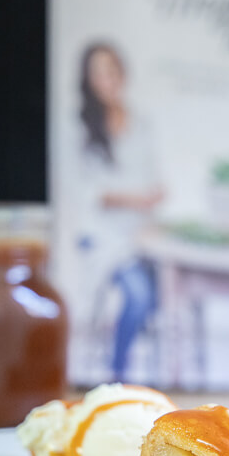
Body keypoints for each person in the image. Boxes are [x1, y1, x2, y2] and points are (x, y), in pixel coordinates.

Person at [73, 42, 164, 380]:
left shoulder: (141, 123)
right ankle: (118, 373)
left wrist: (151, 199)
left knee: (165, 293)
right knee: (139, 296)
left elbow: (154, 179)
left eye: (111, 71)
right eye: (97, 73)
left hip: (143, 235)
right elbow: (92, 192)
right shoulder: (81, 127)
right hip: (104, 238)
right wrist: (138, 199)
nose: (106, 80)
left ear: (122, 73)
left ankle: (156, 374)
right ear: (88, 80)